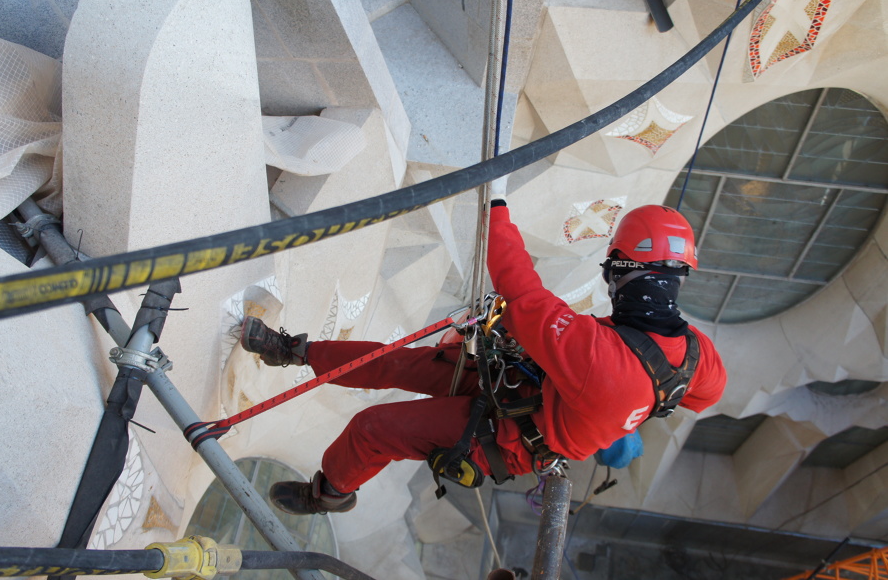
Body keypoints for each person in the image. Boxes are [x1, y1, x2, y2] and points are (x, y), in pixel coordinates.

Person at [239, 189, 727, 515]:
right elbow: (703, 396)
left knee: (374, 429)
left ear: (623, 274)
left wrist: (494, 205)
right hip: (522, 386)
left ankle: (331, 494)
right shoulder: (693, 356)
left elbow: (523, 292)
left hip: (508, 434)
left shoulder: (603, 356)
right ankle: (292, 351)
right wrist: (635, 407)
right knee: (394, 362)